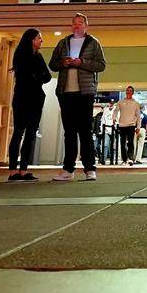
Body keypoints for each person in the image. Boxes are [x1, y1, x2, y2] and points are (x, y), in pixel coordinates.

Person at [46, 13, 106, 181]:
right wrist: (63, 63)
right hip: (66, 92)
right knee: (69, 132)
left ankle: (89, 168)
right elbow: (52, 64)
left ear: (86, 26)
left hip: (85, 92)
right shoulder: (63, 42)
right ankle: (68, 169)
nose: (76, 25)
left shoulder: (93, 43)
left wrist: (82, 63)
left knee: (85, 131)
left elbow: (101, 65)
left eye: (80, 23)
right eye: (74, 23)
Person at [8, 27, 51, 182]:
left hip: (34, 97)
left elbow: (47, 76)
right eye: (39, 38)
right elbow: (30, 76)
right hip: (23, 97)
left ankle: (23, 169)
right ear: (32, 40)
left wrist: (36, 76)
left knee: (30, 133)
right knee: (19, 132)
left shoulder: (38, 57)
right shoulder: (21, 55)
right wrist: (37, 76)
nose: (41, 40)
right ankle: (13, 170)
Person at [115, 86, 142, 166]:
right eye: (127, 90)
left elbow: (138, 116)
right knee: (122, 143)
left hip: (131, 125)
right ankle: (124, 159)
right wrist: (114, 119)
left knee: (130, 142)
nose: (128, 92)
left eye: (130, 91)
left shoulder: (136, 103)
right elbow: (116, 111)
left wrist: (138, 127)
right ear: (126, 92)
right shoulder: (120, 102)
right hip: (122, 125)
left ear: (133, 92)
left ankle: (130, 159)